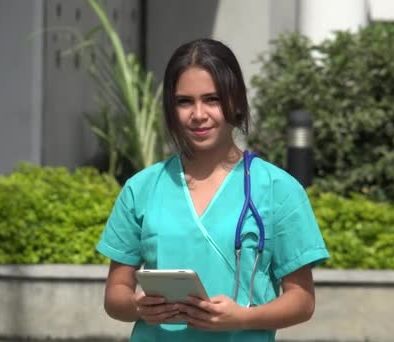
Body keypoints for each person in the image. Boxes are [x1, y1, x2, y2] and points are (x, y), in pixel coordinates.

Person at [95, 38, 330, 342]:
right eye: (184, 101)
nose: (198, 114)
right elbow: (115, 295)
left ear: (236, 102)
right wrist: (139, 307)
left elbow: (302, 300)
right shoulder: (141, 189)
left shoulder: (278, 189)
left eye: (212, 99)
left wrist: (244, 318)